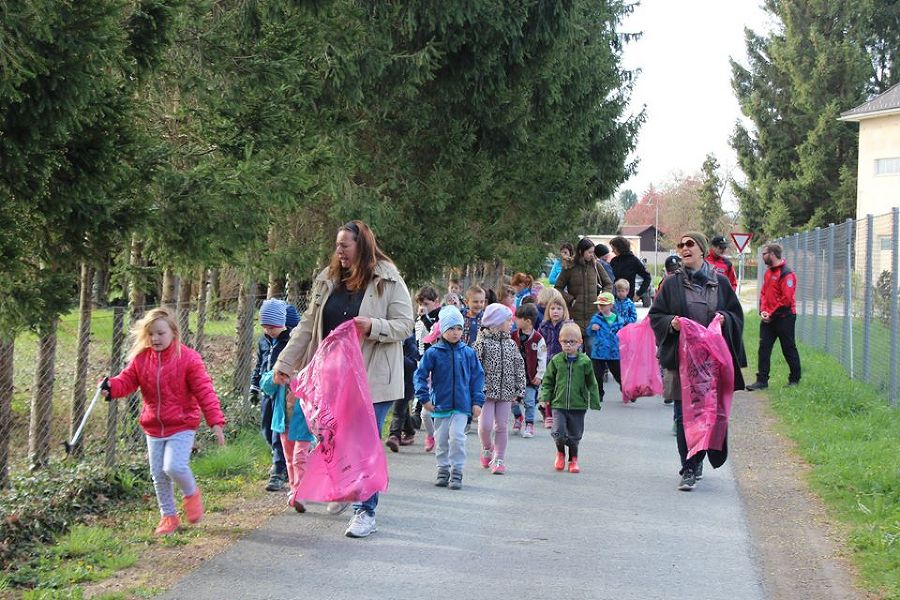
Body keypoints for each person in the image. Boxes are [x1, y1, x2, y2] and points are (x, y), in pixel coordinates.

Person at [272, 220, 414, 538]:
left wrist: (373, 326)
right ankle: (344, 487)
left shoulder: (388, 279)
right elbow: (308, 324)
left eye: (344, 245)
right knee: (332, 438)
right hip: (334, 377)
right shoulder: (328, 280)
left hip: (374, 377)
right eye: (336, 245)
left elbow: (405, 324)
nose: (338, 250)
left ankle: (366, 512)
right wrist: (285, 362)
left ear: (361, 246)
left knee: (363, 442)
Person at [101, 308, 225, 535]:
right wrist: (111, 387)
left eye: (160, 333)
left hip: (182, 424)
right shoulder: (141, 359)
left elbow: (205, 391)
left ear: (173, 333)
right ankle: (168, 517)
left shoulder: (188, 358)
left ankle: (191, 493)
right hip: (153, 427)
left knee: (174, 466)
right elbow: (126, 381)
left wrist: (215, 421)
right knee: (158, 474)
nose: (155, 338)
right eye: (150, 334)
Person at [648, 231, 746, 491]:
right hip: (682, 361)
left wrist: (725, 319)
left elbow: (736, 315)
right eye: (680, 245)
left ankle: (698, 456)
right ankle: (689, 466)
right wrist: (672, 323)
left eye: (689, 244)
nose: (683, 249)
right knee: (683, 415)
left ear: (702, 249)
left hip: (711, 363)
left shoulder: (720, 283)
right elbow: (655, 316)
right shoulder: (671, 284)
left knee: (708, 414)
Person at [414, 305, 485, 489]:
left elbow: (478, 377)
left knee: (457, 437)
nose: (455, 332)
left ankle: (457, 471)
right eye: (451, 328)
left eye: (459, 328)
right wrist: (424, 398)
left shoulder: (468, 353)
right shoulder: (433, 353)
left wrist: (477, 402)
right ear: (443, 329)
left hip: (462, 406)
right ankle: (443, 469)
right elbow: (420, 375)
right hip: (440, 406)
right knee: (442, 439)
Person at [539, 322, 601, 473]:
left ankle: (573, 459)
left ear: (579, 343)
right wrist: (545, 396)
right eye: (565, 341)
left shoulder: (585, 362)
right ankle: (560, 453)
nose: (568, 345)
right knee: (558, 432)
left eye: (572, 342)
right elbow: (548, 381)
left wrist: (594, 400)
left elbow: (592, 383)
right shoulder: (556, 361)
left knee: (575, 435)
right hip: (558, 403)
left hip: (578, 405)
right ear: (560, 342)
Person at [474, 304, 526, 474]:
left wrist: (520, 391)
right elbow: (474, 368)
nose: (511, 323)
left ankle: (499, 459)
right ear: (496, 322)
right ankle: (487, 448)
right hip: (486, 393)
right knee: (485, 426)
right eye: (508, 320)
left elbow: (519, 367)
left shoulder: (511, 344)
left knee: (502, 426)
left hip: (506, 393)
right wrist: (473, 390)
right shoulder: (481, 344)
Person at [746, 242, 801, 390]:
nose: (762, 256)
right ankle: (762, 381)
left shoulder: (786, 274)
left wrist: (771, 314)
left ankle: (794, 380)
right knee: (764, 348)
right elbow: (763, 293)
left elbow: (787, 300)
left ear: (772, 254)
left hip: (784, 318)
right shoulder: (768, 272)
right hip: (768, 318)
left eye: (764, 253)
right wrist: (763, 311)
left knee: (788, 348)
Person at [249, 298, 291, 492]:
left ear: (282, 324)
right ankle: (280, 457)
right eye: (265, 327)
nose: (268, 331)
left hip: (283, 392)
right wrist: (254, 388)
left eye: (272, 327)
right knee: (266, 428)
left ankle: (278, 469)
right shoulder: (263, 341)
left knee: (278, 429)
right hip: (267, 391)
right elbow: (259, 365)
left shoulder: (289, 340)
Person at [259, 368, 314, 513]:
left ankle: (301, 493)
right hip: (284, 423)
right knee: (289, 459)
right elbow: (266, 387)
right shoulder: (281, 369)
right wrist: (275, 377)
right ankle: (294, 489)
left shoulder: (309, 368)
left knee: (299, 457)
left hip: (304, 422)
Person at [555, 237, 613, 351]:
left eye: (593, 252)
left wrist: (603, 298)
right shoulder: (569, 267)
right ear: (581, 252)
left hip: (593, 317)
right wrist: (571, 300)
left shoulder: (596, 265)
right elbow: (558, 288)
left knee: (592, 350)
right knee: (575, 352)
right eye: (590, 252)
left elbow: (608, 284)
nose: (592, 255)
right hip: (575, 317)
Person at [511, 303, 547, 438]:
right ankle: (518, 417)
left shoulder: (538, 339)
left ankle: (529, 424)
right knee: (512, 400)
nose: (515, 320)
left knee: (529, 402)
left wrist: (540, 375)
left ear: (527, 321)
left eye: (517, 318)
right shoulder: (512, 335)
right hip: (514, 377)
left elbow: (542, 358)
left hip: (530, 377)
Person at [536, 288, 570, 429]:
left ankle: (559, 413)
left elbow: (576, 343)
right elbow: (537, 342)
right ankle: (548, 414)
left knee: (560, 390)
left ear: (564, 311)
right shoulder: (544, 326)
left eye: (559, 308)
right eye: (552, 308)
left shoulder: (568, 326)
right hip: (547, 363)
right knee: (547, 389)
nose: (555, 311)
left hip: (562, 363)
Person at [411, 286, 442, 431]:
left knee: (432, 386)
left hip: (434, 358)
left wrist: (424, 318)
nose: (422, 307)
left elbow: (434, 332)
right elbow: (416, 336)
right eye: (420, 304)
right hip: (420, 356)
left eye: (426, 304)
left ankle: (433, 415)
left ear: (436, 302)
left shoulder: (439, 315)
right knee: (420, 384)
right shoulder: (419, 318)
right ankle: (416, 414)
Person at [586, 292, 625, 399]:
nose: (601, 307)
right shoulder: (596, 319)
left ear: (611, 305)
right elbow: (589, 332)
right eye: (599, 304)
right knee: (597, 375)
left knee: (618, 374)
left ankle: (626, 389)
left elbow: (623, 335)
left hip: (613, 352)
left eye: (603, 305)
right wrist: (591, 328)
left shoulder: (618, 320)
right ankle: (599, 394)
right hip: (599, 352)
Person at [386, 334, 420, 452]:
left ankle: (394, 436)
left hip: (406, 382)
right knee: (402, 409)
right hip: (390, 381)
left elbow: (412, 364)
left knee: (398, 409)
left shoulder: (408, 340)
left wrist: (396, 356)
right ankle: (410, 431)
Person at [609, 236, 652, 305]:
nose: (612, 251)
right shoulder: (614, 261)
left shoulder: (634, 261)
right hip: (614, 299)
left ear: (620, 248)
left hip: (628, 299)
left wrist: (638, 294)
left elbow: (647, 277)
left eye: (614, 249)